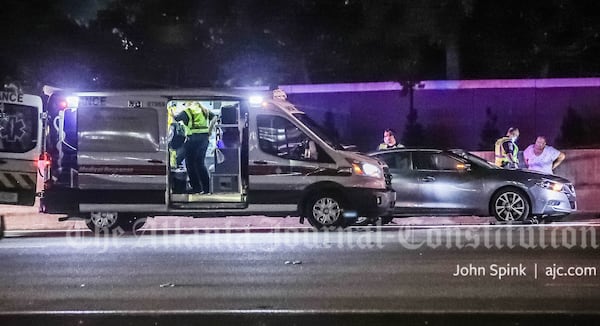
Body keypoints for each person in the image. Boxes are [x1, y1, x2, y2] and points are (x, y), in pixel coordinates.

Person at [174, 101, 217, 194]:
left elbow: (175, 118)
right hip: (204, 139)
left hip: (193, 139)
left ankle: (196, 187)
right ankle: (206, 188)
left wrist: (173, 111)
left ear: (188, 103)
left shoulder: (187, 111)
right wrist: (210, 130)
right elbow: (215, 117)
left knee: (190, 164)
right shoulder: (204, 110)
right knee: (200, 164)